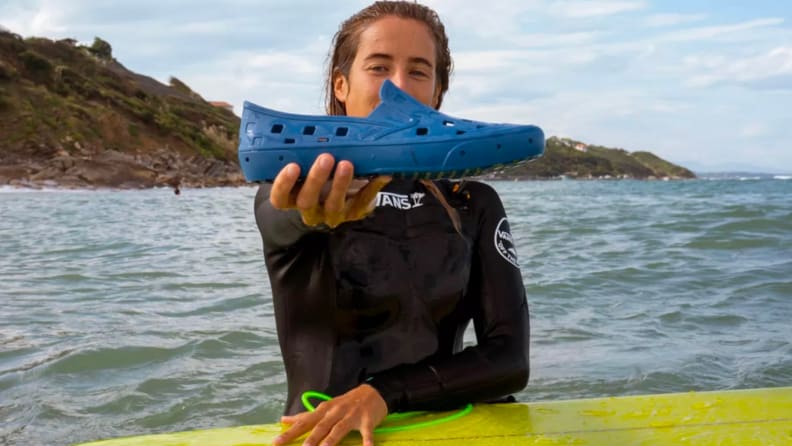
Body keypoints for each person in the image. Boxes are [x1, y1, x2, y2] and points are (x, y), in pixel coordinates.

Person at [253, 2, 530, 445]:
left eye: (419, 72)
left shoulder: (471, 203)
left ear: (436, 95)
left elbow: (510, 360)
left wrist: (383, 394)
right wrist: (310, 211)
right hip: (326, 437)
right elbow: (279, 216)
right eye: (379, 67)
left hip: (448, 430)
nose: (398, 87)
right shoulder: (299, 191)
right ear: (341, 85)